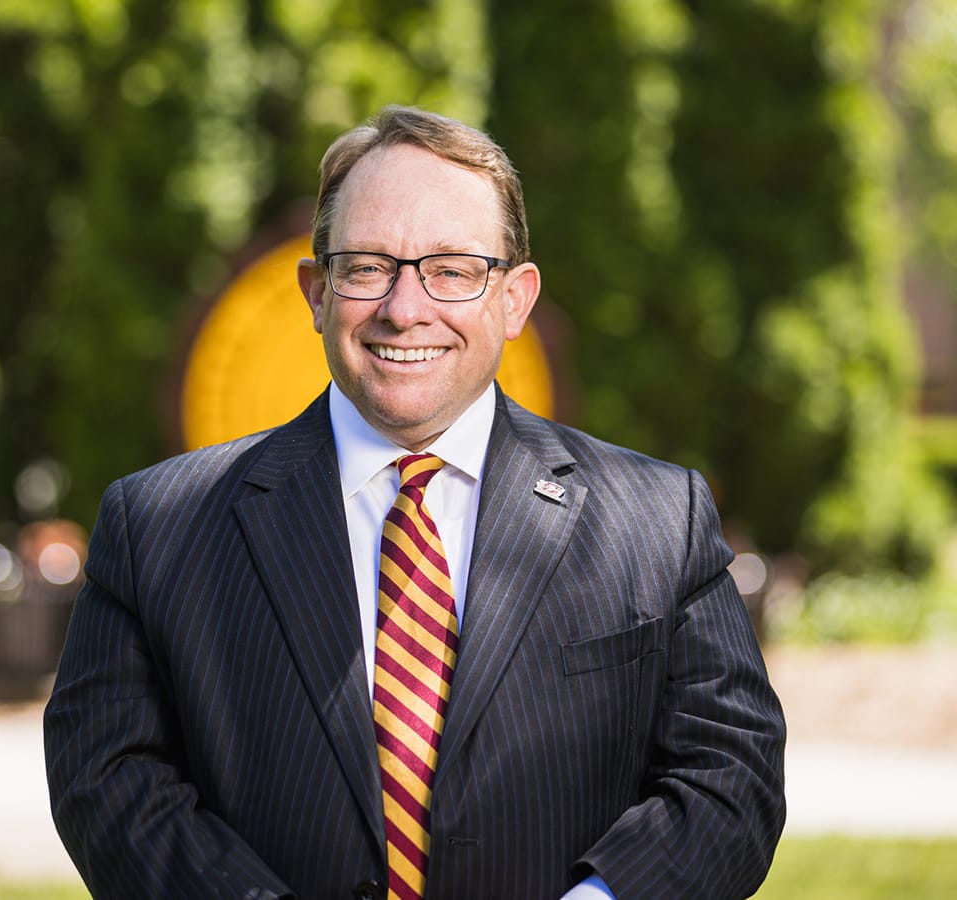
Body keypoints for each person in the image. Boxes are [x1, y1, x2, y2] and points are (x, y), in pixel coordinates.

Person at [43, 105, 786, 900]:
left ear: (515, 299)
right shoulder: (157, 528)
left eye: (454, 268)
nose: (405, 308)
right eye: (366, 267)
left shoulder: (657, 520)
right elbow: (108, 780)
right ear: (316, 291)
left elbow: (729, 776)